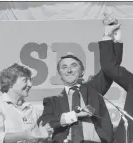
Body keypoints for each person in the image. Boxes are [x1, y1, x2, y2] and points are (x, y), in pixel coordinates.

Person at [37, 15, 122, 143]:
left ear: (82, 71)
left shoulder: (94, 88)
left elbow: (111, 67)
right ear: (59, 74)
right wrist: (74, 115)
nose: (69, 70)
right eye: (64, 67)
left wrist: (109, 36)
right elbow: (45, 123)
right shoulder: (52, 101)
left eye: (73, 66)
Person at [0, 63, 52, 143]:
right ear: (10, 82)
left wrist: (44, 135)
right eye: (25, 80)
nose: (30, 84)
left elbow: (37, 137)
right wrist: (24, 136)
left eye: (30, 80)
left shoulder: (32, 109)